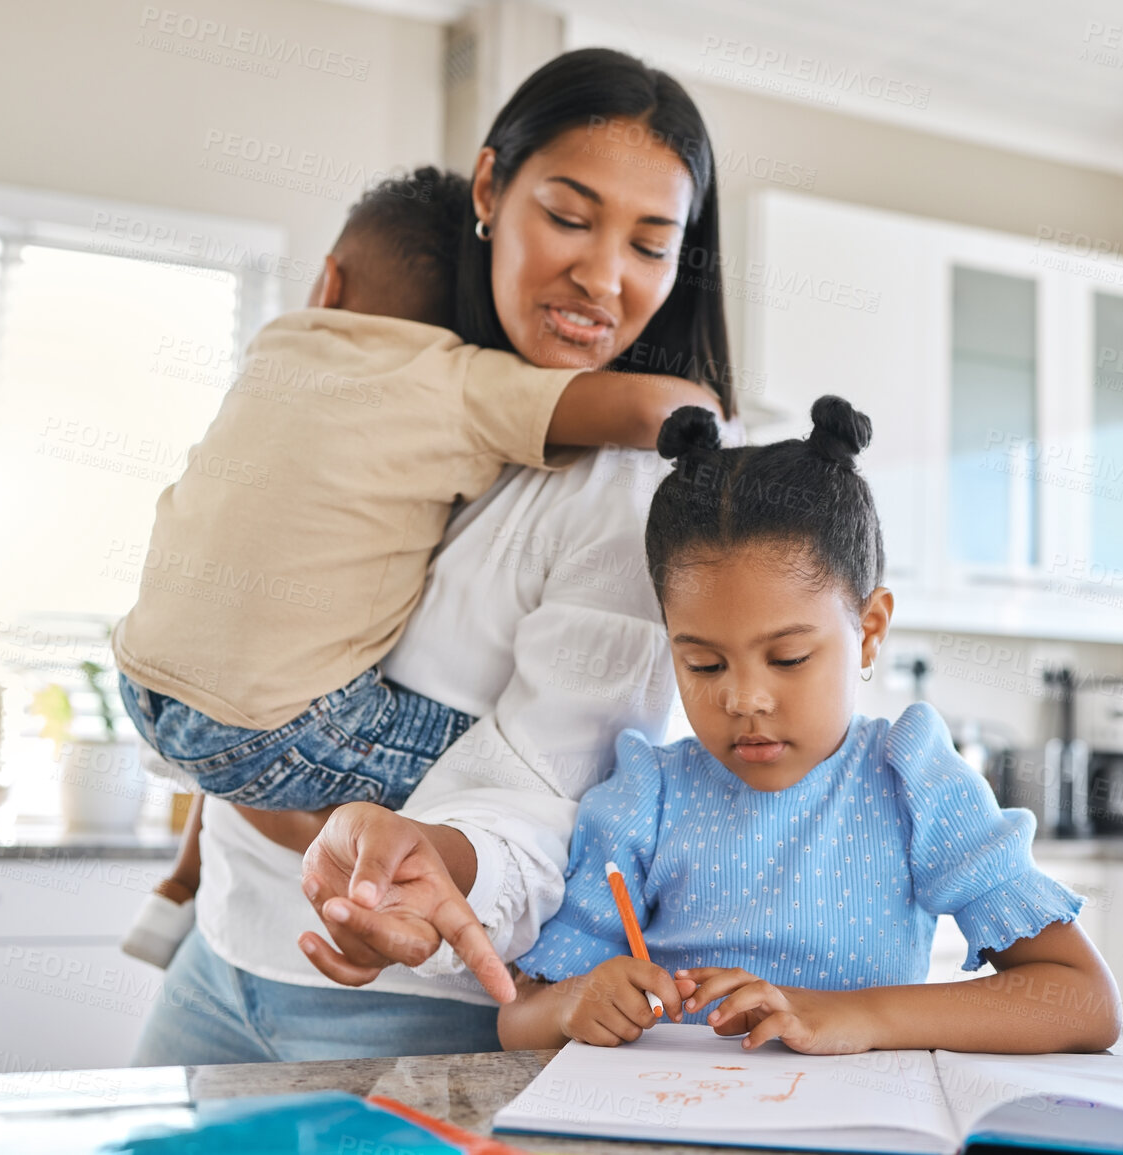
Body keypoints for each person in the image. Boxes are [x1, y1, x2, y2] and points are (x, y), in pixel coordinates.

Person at [131, 47, 738, 1063]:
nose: (603, 275)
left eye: (651, 243)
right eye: (572, 216)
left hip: (397, 1003)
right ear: (492, 189)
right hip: (222, 953)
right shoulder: (393, 375)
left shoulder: (631, 489)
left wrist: (396, 855)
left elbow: (552, 802)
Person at [496, 399, 1122, 1055]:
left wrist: (856, 1015)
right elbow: (521, 1015)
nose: (744, 699)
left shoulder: (911, 782)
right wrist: (573, 1002)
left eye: (788, 658)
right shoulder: (646, 796)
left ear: (869, 630)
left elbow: (1081, 999)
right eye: (703, 662)